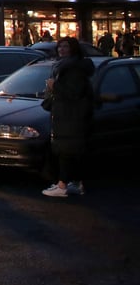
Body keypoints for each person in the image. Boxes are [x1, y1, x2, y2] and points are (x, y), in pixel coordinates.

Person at [41, 36, 95, 197]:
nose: (61, 49)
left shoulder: (74, 69)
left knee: (65, 150)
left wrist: (54, 86)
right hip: (67, 115)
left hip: (70, 116)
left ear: (73, 49)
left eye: (65, 46)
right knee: (71, 151)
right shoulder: (64, 67)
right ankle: (75, 183)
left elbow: (73, 93)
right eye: (60, 47)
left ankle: (62, 185)